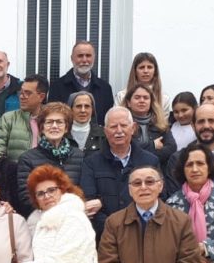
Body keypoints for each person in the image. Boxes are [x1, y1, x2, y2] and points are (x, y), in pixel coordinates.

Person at [80, 107, 160, 239]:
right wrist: (113, 228)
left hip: (143, 234)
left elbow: (159, 197)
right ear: (105, 131)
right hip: (105, 236)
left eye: (123, 125)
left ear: (133, 128)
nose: (119, 131)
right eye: (113, 126)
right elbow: (89, 202)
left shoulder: (150, 161)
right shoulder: (91, 163)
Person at [16, 102, 86, 216]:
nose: (54, 126)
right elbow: (26, 197)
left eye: (59, 122)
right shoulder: (27, 159)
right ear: (41, 128)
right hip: (43, 219)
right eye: (49, 122)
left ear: (66, 127)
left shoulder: (80, 156)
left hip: (74, 218)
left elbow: (85, 191)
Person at [48, 40, 116, 123]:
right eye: (80, 56)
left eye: (88, 56)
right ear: (72, 58)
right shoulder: (57, 87)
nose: (84, 60)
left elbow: (108, 120)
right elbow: (53, 118)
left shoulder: (105, 88)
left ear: (94, 58)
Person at [0, 74, 47, 160]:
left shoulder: (52, 120)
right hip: (14, 171)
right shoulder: (8, 119)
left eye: (27, 93)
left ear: (41, 97)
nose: (22, 97)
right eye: (21, 92)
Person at [122, 83, 175, 165]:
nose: (142, 101)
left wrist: (141, 152)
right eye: (137, 97)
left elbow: (171, 149)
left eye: (146, 98)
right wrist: (153, 145)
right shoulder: (122, 126)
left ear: (151, 102)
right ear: (129, 102)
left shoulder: (161, 125)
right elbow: (123, 151)